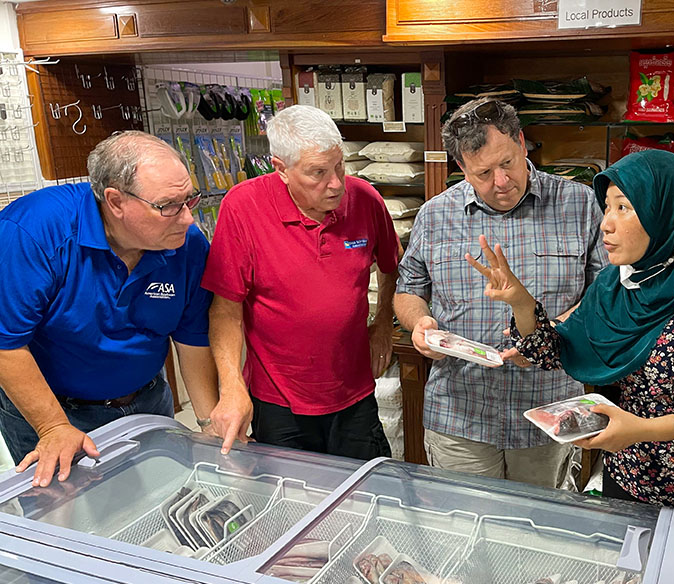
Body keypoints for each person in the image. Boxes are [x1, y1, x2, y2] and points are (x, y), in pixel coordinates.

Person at [468, 149, 674, 584]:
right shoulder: (614, 285)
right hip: (632, 486)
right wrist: (522, 303)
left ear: (664, 212)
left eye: (624, 208)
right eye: (606, 207)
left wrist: (642, 430)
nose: (606, 224)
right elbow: (556, 349)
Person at [394, 98, 607, 488]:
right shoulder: (435, 215)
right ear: (460, 167)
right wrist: (418, 323)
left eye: (507, 162)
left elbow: (605, 296)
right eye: (483, 173)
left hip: (549, 411)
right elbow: (408, 288)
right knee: (464, 532)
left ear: (522, 143)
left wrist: (550, 335)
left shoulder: (580, 204)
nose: (501, 182)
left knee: (543, 532)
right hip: (461, 415)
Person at [0, 131, 219, 487]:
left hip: (146, 399)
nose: (187, 219)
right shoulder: (34, 231)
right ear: (115, 201)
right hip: (53, 409)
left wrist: (211, 423)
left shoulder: (186, 245)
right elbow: (6, 343)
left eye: (189, 200)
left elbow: (191, 338)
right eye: (168, 206)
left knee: (166, 498)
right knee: (69, 521)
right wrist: (53, 427)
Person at [202, 105, 399, 459]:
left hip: (353, 394)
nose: (336, 183)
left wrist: (383, 322)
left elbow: (390, 264)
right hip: (279, 400)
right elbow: (225, 310)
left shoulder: (365, 199)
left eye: (339, 166)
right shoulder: (242, 207)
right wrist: (231, 386)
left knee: (370, 495)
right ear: (282, 170)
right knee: (294, 503)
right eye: (318, 173)